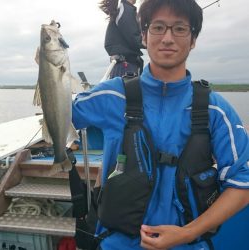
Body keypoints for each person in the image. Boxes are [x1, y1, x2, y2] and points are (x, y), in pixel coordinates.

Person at [72, 0, 249, 249]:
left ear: (193, 39)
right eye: (157, 27)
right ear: (143, 36)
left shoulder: (215, 109)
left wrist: (187, 233)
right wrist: (50, 71)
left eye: (179, 28)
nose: (167, 38)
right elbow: (59, 116)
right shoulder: (111, 96)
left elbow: (242, 182)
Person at [99, 0, 145, 78]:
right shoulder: (126, 9)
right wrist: (151, 42)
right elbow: (133, 37)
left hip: (125, 65)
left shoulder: (124, 9)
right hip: (125, 66)